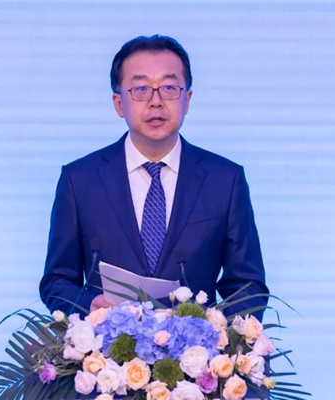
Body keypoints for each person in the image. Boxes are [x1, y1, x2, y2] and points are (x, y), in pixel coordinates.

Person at [39, 34, 268, 320]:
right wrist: (90, 306)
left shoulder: (224, 180)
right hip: (107, 347)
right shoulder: (80, 180)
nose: (156, 101)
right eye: (141, 89)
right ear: (119, 103)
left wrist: (218, 335)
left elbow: (248, 286)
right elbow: (57, 281)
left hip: (196, 348)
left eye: (169, 88)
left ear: (187, 100)